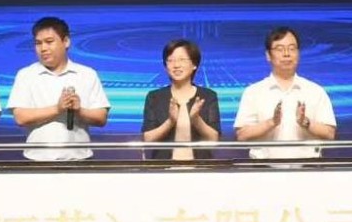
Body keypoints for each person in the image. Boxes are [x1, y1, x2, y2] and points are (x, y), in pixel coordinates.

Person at [7, 16, 110, 162]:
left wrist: (79, 110)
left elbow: (101, 118)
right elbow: (21, 117)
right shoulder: (26, 75)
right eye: (38, 43)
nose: (43, 48)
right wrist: (57, 109)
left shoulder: (87, 74)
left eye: (49, 42)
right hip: (37, 161)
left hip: (80, 160)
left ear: (66, 41)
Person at [234, 27, 337, 161]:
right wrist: (271, 122)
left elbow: (330, 134)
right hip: (264, 168)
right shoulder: (253, 92)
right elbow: (242, 135)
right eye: (279, 49)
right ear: (268, 55)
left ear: (298, 53)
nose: (286, 54)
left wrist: (305, 122)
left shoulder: (315, 91)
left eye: (292, 48)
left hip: (308, 168)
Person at [141, 38, 221, 162]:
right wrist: (170, 121)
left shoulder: (208, 96)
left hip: (201, 168)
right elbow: (148, 139)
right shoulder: (154, 97)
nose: (176, 65)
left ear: (194, 64)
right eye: (170, 60)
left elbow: (214, 140)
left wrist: (196, 120)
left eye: (182, 60)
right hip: (163, 168)